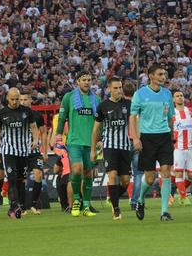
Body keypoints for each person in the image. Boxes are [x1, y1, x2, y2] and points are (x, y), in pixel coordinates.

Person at [130, 63, 175, 221]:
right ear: (151, 76)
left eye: (164, 74)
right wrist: (136, 138)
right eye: (160, 74)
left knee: (166, 171)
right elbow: (132, 117)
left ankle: (164, 212)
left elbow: (170, 117)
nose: (163, 77)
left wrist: (171, 136)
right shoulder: (140, 94)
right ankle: (141, 199)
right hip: (147, 138)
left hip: (164, 137)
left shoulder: (167, 94)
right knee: (149, 178)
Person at [55, 71, 100, 217]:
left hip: (90, 142)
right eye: (84, 79)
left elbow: (100, 122)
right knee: (75, 170)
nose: (87, 82)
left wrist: (100, 139)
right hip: (74, 141)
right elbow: (62, 117)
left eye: (89, 79)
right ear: (77, 82)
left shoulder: (96, 99)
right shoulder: (69, 97)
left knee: (88, 173)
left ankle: (86, 206)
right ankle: (76, 200)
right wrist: (58, 134)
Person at [0, 88, 39, 219]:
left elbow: (34, 127)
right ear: (7, 98)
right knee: (11, 178)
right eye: (12, 99)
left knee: (20, 180)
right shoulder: (1, 113)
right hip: (8, 151)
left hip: (23, 151)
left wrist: (35, 140)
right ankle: (14, 206)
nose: (14, 102)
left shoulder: (27, 111)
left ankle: (14, 206)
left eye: (17, 99)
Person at [91, 77, 132, 220]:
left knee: (126, 181)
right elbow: (96, 129)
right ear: (109, 89)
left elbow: (136, 120)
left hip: (125, 147)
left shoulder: (128, 104)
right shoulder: (103, 106)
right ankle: (116, 209)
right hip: (109, 147)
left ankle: (112, 197)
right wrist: (93, 150)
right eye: (115, 88)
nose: (119, 90)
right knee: (112, 175)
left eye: (120, 87)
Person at [20, 93, 47, 215]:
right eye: (21, 100)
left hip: (35, 152)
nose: (23, 102)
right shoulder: (16, 115)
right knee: (21, 179)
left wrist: (44, 151)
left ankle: (34, 204)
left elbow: (43, 133)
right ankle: (22, 206)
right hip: (20, 152)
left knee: (38, 175)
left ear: (30, 100)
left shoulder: (37, 115)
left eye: (25, 99)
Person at [171, 89, 192, 206]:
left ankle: (180, 189)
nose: (180, 97)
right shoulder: (172, 114)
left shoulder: (190, 111)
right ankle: (183, 197)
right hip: (178, 148)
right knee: (179, 173)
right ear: (173, 99)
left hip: (191, 147)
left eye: (181, 95)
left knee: (191, 175)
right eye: (177, 96)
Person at [123, 80, 141, 211]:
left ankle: (112, 198)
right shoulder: (138, 106)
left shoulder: (119, 105)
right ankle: (135, 202)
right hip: (136, 141)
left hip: (122, 142)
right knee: (138, 173)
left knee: (119, 173)